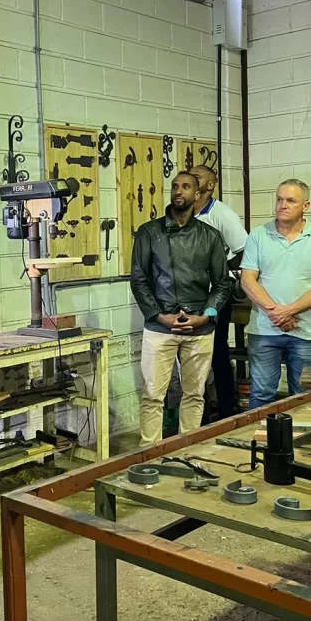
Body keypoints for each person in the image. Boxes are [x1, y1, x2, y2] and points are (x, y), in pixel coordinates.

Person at [130, 171, 230, 446]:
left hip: (199, 328)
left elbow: (222, 285)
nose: (179, 191)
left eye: (186, 187)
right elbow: (139, 279)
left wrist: (204, 316)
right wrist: (158, 315)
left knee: (195, 395)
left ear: (197, 195)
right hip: (159, 327)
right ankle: (148, 451)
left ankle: (188, 449)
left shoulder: (210, 237)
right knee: (152, 395)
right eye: (175, 186)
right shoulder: (150, 233)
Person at [240, 179, 311, 408]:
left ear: (305, 206)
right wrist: (276, 314)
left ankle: (301, 442)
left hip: (306, 332)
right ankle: (261, 442)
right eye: (279, 199)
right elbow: (247, 280)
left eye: (290, 200)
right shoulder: (258, 235)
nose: (282, 205)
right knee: (261, 395)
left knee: (303, 397)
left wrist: (289, 312)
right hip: (264, 330)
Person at [190, 164, 247, 419]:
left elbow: (245, 252)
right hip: (188, 297)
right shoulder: (183, 212)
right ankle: (197, 416)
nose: (191, 177)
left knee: (217, 353)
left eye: (197, 176)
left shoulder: (222, 214)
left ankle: (225, 411)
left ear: (210, 185)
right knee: (191, 357)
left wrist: (218, 268)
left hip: (215, 296)